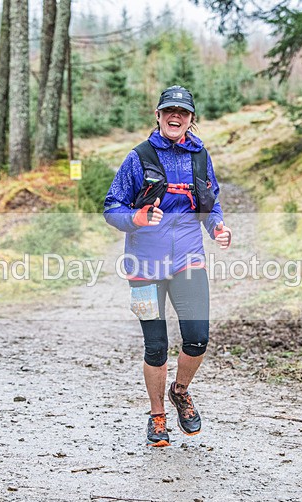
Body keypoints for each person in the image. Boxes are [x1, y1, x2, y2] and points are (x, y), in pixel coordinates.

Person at [103, 85, 232, 447]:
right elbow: (112, 208)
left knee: (197, 338)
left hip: (188, 259)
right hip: (144, 265)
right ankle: (157, 415)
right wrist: (137, 218)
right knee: (156, 346)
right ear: (158, 116)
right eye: (168, 111)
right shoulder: (137, 157)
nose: (176, 116)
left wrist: (217, 227)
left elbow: (211, 203)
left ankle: (181, 391)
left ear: (191, 119)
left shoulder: (200, 156)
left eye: (183, 112)